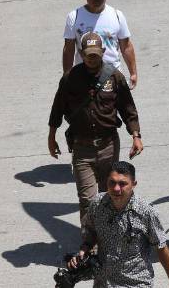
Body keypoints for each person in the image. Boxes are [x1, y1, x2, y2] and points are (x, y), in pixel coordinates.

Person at [48, 32, 142, 224]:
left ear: (103, 51)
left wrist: (136, 135)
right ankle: (90, 239)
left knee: (109, 196)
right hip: (82, 148)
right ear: (81, 53)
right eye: (88, 55)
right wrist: (52, 136)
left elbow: (128, 108)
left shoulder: (115, 77)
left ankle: (108, 235)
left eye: (96, 54)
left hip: (109, 146)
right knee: (88, 200)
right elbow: (57, 108)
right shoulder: (70, 78)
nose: (92, 58)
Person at [70, 161, 169, 288]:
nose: (116, 188)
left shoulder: (146, 212)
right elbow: (90, 231)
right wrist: (85, 248)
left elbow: (161, 247)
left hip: (135, 283)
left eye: (122, 184)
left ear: (134, 184)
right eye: (112, 182)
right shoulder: (97, 204)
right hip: (103, 282)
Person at [62, 0, 138, 89]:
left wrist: (133, 73)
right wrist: (67, 76)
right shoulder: (74, 16)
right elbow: (69, 49)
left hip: (112, 74)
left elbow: (126, 46)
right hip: (84, 75)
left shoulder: (117, 15)